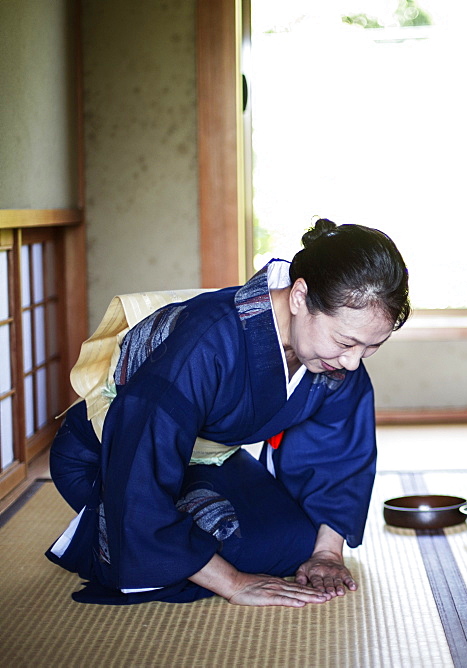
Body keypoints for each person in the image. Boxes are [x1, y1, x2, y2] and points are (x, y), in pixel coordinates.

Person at [46, 219, 410, 607]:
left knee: (298, 543)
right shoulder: (209, 338)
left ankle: (154, 545)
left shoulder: (333, 360)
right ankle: (111, 534)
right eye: (345, 341)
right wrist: (234, 583)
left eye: (370, 348)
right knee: (221, 547)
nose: (353, 362)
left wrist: (327, 554)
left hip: (206, 458)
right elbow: (140, 458)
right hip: (113, 458)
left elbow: (339, 454)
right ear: (300, 296)